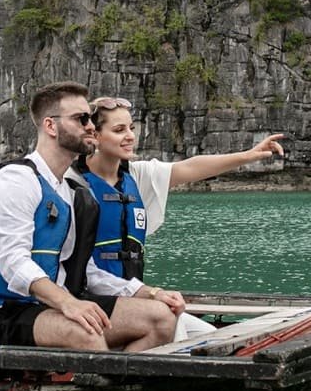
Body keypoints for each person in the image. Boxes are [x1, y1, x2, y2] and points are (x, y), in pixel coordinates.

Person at [0, 82, 188, 351]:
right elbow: (14, 263)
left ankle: (110, 383)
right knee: (86, 331)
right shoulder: (16, 181)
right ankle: (104, 380)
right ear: (51, 126)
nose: (91, 126)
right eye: (81, 119)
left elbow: (86, 271)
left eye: (90, 118)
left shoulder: (68, 191)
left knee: (161, 318)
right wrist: (69, 303)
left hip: (50, 306)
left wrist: (149, 292)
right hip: (4, 312)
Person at [80, 96, 286, 338]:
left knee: (212, 337)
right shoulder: (74, 184)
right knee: (174, 328)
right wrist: (152, 294)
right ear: (95, 136)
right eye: (119, 130)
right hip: (96, 304)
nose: (130, 136)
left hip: (135, 297)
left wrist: (250, 155)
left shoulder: (136, 175)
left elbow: (190, 167)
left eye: (131, 128)